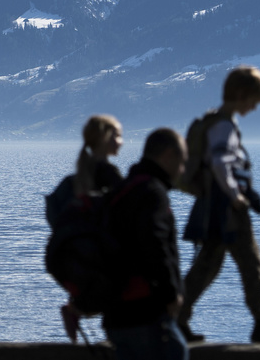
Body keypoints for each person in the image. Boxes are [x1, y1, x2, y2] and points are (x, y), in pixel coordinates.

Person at [178, 66, 260, 345]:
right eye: (253, 101)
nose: (254, 107)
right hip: (228, 209)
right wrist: (236, 196)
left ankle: (175, 320)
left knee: (206, 267)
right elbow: (220, 162)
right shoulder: (225, 126)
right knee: (251, 264)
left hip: (212, 208)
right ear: (242, 95)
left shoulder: (213, 121)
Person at [102, 128, 189, 360]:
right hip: (145, 313)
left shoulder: (125, 189)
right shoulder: (152, 193)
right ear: (168, 155)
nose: (182, 171)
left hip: (116, 313)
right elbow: (155, 244)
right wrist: (171, 294)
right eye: (182, 162)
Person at [58, 114, 126, 340]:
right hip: (106, 243)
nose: (121, 141)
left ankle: (76, 310)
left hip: (87, 244)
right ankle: (79, 312)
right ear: (105, 138)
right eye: (117, 135)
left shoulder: (82, 172)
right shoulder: (109, 174)